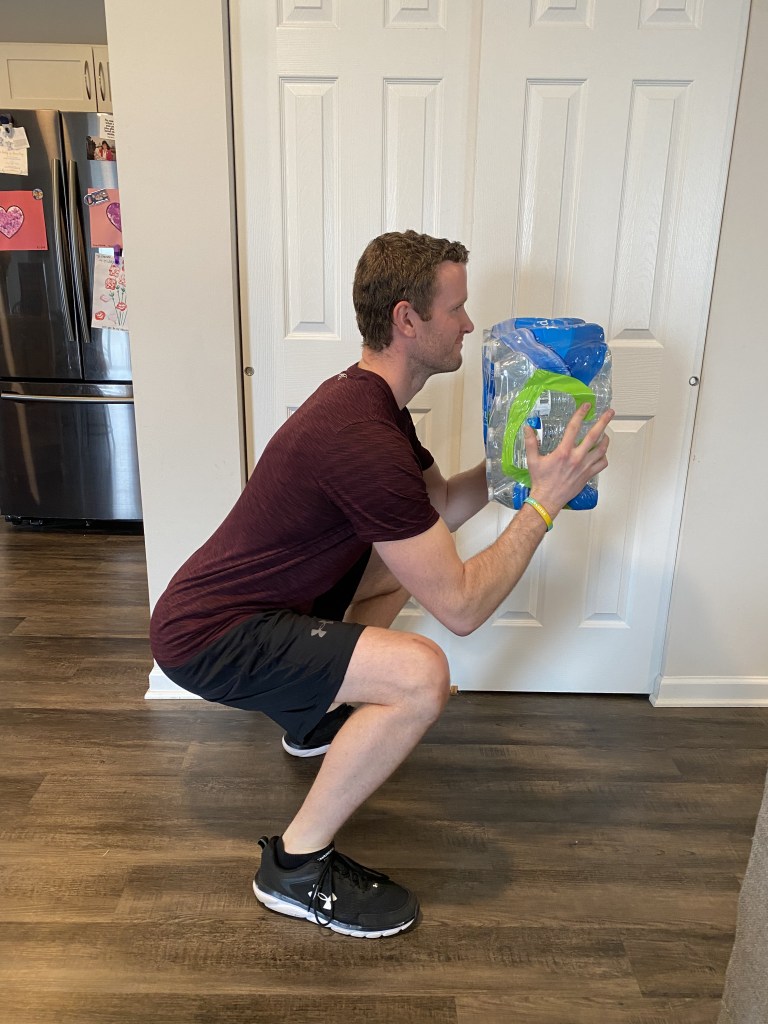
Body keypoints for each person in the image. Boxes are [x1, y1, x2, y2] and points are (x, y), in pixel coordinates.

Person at [150, 230, 613, 939]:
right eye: (455, 309)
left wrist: (522, 470)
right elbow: (461, 606)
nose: (467, 324)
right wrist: (543, 507)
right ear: (407, 320)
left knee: (401, 562)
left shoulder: (371, 404)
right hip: (209, 636)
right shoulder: (361, 438)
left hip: (264, 606)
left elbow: (436, 508)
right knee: (422, 675)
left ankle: (312, 722)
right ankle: (295, 867)